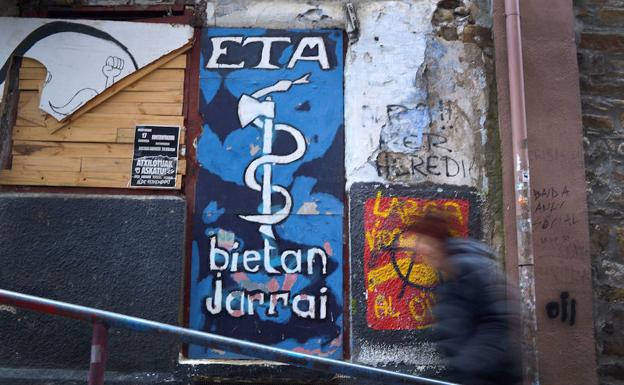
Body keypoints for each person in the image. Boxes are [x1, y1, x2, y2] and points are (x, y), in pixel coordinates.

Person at [401, 211, 522, 385]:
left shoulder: (469, 267)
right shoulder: (449, 274)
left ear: (435, 239)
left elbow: (498, 321)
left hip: (489, 376)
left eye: (421, 240)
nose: (417, 248)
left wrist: (469, 367)